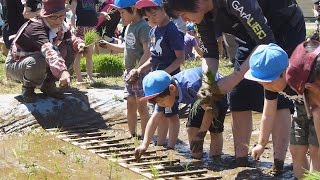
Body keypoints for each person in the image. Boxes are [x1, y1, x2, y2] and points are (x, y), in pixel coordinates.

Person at [166, 0, 304, 169]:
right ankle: (242, 161)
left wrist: (234, 77)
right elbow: (209, 51)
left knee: (276, 92)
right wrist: (208, 82)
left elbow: (266, 41)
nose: (184, 19)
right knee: (239, 93)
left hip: (283, 28)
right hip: (248, 35)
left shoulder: (236, 2)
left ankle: (278, 164)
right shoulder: (201, 16)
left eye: (183, 14)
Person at [244, 42, 320, 179]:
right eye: (262, 83)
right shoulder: (271, 85)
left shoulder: (300, 77)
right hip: (301, 108)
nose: (267, 87)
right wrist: (262, 143)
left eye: (268, 82)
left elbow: (317, 111)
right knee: (296, 149)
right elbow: (268, 114)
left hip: (318, 107)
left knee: (316, 151)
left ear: (284, 73)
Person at [134, 67, 228, 160]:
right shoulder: (165, 93)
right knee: (191, 129)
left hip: (216, 94)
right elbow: (154, 120)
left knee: (215, 131)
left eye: (162, 101)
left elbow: (210, 110)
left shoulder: (191, 86)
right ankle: (197, 158)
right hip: (198, 99)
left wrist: (201, 134)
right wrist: (144, 145)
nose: (161, 105)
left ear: (172, 88)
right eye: (158, 103)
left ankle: (215, 160)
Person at [129, 0, 185, 149]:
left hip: (169, 81)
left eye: (154, 14)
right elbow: (153, 58)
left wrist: (164, 74)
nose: (152, 19)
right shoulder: (153, 31)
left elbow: (181, 58)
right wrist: (139, 69)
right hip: (156, 80)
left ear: (164, 9)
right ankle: (160, 143)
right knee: (159, 112)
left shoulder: (172, 30)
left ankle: (171, 146)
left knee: (171, 114)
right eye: (148, 17)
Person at [5, 0, 85, 103]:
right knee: (39, 60)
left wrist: (79, 44)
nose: (58, 20)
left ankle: (48, 85)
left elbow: (71, 39)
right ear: (45, 16)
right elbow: (49, 51)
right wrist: (62, 72)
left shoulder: (62, 25)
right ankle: (28, 88)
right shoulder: (35, 27)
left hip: (37, 59)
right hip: (16, 64)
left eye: (61, 16)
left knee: (70, 50)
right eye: (53, 17)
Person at [99, 0, 151, 139]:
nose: (121, 16)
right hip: (129, 72)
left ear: (133, 10)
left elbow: (148, 52)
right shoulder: (128, 27)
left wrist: (138, 69)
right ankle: (132, 134)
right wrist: (109, 46)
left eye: (122, 12)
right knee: (130, 103)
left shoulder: (143, 27)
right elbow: (126, 48)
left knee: (142, 105)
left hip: (140, 72)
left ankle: (146, 135)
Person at [69, 0, 109, 85]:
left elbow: (95, 14)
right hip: (81, 28)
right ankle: (79, 79)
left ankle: (90, 77)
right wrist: (72, 26)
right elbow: (72, 13)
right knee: (79, 53)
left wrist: (102, 14)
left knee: (89, 54)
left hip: (92, 28)